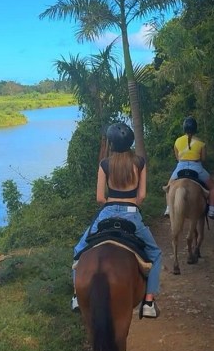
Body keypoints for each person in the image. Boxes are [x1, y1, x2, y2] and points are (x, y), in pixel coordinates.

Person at [70, 122, 163, 318]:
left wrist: (111, 204)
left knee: (79, 250)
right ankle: (148, 302)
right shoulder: (139, 163)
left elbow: (99, 198)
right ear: (130, 142)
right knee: (155, 254)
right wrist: (132, 205)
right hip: (132, 213)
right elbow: (142, 195)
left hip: (107, 212)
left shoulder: (105, 164)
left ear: (111, 144)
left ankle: (77, 296)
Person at [164, 116, 214, 219]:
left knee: (168, 187)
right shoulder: (201, 143)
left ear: (184, 128)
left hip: (180, 167)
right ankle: (211, 209)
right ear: (195, 128)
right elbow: (203, 158)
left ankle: (168, 208)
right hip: (197, 167)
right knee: (212, 187)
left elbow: (177, 157)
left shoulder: (177, 141)